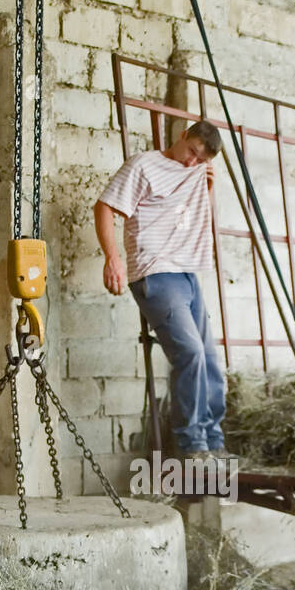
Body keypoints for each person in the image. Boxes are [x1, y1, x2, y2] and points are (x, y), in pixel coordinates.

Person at [95, 120, 230, 460]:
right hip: (156, 272)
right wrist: (113, 258)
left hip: (187, 274)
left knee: (211, 359)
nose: (191, 163)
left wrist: (207, 190)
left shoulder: (199, 172)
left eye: (200, 160)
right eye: (191, 152)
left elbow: (185, 215)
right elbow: (105, 207)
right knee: (191, 353)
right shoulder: (144, 165)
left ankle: (213, 440)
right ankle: (192, 444)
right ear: (182, 135)